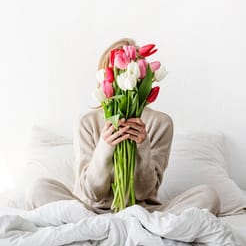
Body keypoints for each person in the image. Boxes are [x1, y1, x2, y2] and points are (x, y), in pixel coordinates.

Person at [25, 38, 220, 216]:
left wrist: (143, 145)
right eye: (116, 72)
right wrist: (105, 146)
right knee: (38, 189)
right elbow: (92, 192)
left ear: (141, 74)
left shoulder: (161, 123)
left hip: (143, 213)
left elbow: (145, 192)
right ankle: (120, 231)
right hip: (92, 211)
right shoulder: (87, 121)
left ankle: (116, 232)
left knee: (208, 196)